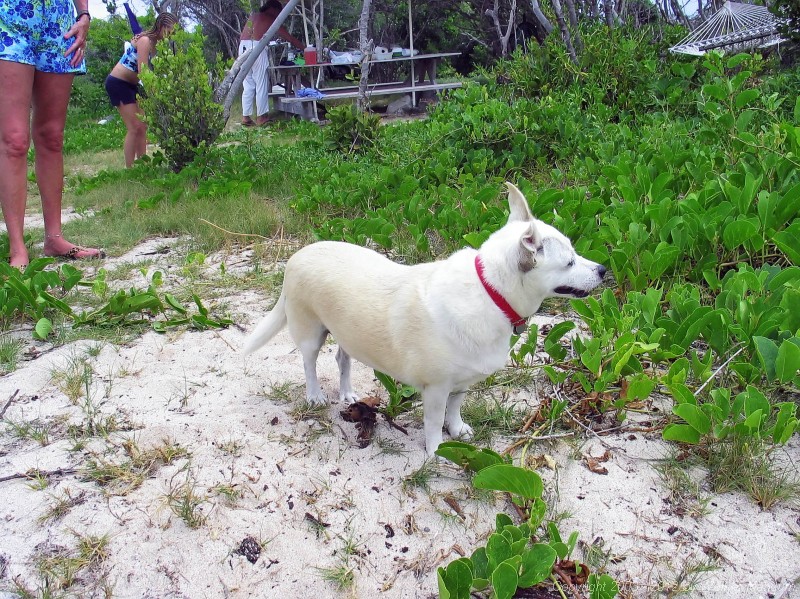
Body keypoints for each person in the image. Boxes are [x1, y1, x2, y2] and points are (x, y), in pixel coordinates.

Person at [0, 0, 104, 267]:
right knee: (14, 139)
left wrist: (84, 15)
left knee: (52, 136)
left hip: (57, 21)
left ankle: (54, 239)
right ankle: (17, 249)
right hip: (9, 15)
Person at [104, 12, 178, 168]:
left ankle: (143, 165)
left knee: (143, 126)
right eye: (169, 30)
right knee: (134, 127)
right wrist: (155, 94)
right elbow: (143, 71)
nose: (171, 34)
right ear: (161, 26)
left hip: (133, 85)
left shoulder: (159, 45)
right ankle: (130, 168)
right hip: (118, 83)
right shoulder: (145, 41)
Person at [239, 0, 303, 126]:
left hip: (242, 46)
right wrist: (305, 48)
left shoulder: (253, 16)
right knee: (261, 82)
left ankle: (245, 117)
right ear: (273, 9)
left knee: (248, 83)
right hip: (257, 46)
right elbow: (289, 38)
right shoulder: (270, 18)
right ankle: (262, 117)